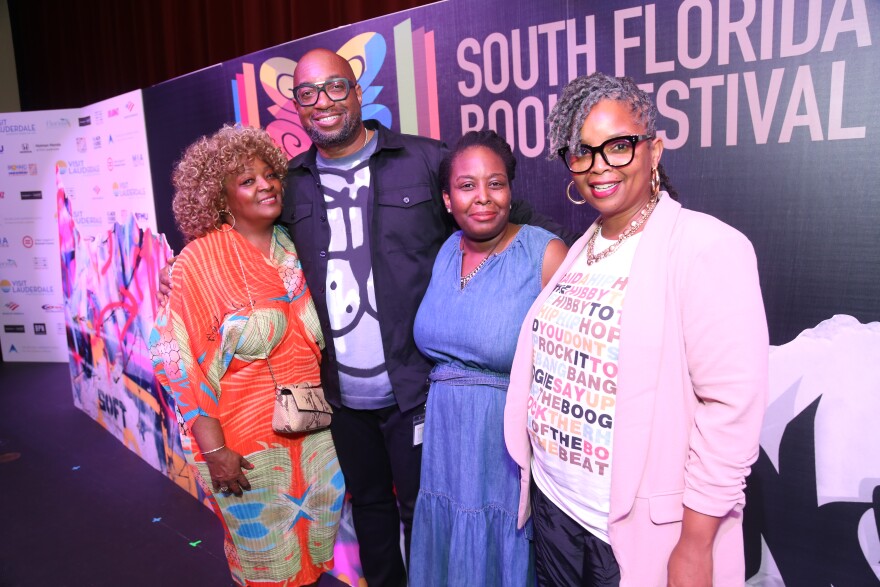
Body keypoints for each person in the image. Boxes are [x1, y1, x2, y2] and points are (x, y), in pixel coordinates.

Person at [282, 48, 578, 585]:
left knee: (426, 514)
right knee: (369, 509)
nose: (322, 102)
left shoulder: (421, 159)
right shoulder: (292, 182)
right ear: (296, 105)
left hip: (416, 392)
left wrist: (579, 258)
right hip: (342, 396)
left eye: (334, 87)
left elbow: (496, 210)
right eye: (307, 93)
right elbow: (261, 244)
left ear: (357, 89)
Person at [503, 72, 769, 586]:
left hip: (631, 530)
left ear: (655, 149)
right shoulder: (583, 247)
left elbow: (731, 411)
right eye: (582, 151)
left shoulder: (704, 246)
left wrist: (695, 543)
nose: (599, 165)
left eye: (619, 146)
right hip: (557, 506)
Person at [150, 125, 344, 587]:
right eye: (247, 180)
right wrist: (214, 448)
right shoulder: (198, 261)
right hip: (242, 444)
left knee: (312, 556)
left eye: (269, 175)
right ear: (220, 198)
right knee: (263, 565)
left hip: (315, 438)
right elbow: (172, 357)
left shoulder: (297, 247)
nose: (266, 185)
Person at [408, 130, 567, 586]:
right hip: (443, 440)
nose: (483, 198)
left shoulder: (544, 253)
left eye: (495, 183)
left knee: (498, 548)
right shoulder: (445, 251)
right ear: (446, 198)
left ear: (511, 191)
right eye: (467, 185)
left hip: (503, 445)